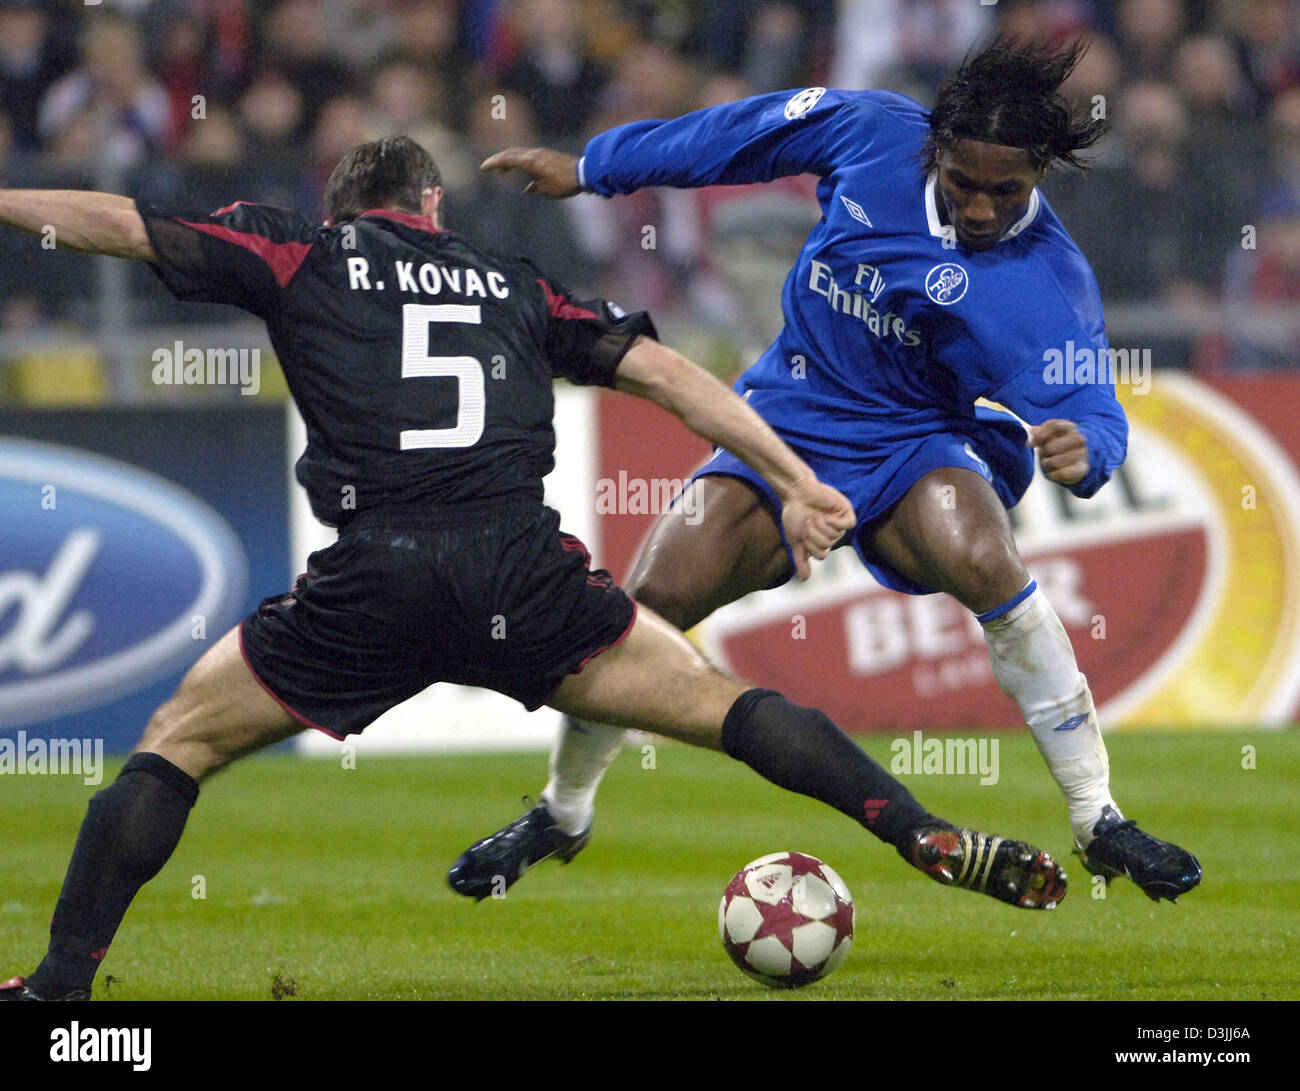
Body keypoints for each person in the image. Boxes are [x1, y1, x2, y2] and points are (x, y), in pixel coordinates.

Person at [0, 135, 1067, 1002]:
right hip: (522, 576)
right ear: (432, 203)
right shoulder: (513, 282)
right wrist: (791, 479)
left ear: (342, 207)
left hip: (371, 579)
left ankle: (59, 989)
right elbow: (669, 377)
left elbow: (117, 224)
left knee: (176, 744)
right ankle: (915, 826)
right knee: (721, 702)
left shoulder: (302, 253)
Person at [456, 37, 1202, 904]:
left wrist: (1089, 453)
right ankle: (563, 811)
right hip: (788, 419)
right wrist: (593, 166)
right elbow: (732, 137)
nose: (983, 208)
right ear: (934, 148)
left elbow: (1097, 412)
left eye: (1009, 191)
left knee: (989, 561)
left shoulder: (1048, 281)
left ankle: (1098, 817)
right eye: (964, 183)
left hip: (918, 440)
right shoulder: (871, 130)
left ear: (1040, 174)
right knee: (644, 609)